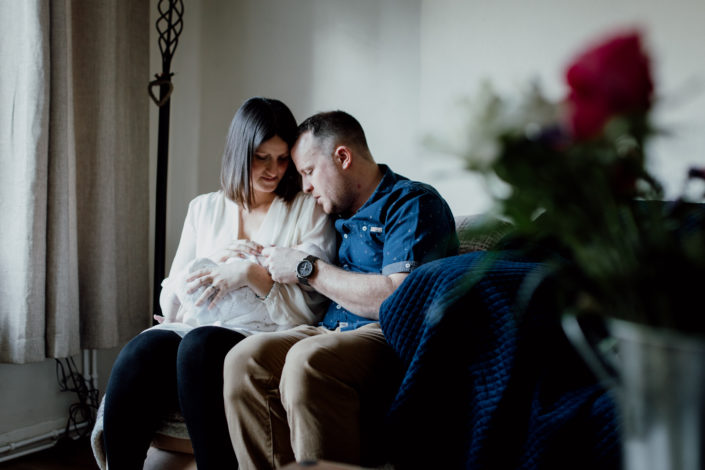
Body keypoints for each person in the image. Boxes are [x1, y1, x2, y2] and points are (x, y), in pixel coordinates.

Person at [101, 97, 336, 470]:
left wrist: (249, 274)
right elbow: (170, 297)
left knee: (200, 346)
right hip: (201, 320)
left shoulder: (307, 209)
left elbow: (313, 303)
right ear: (240, 152)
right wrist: (221, 259)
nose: (274, 170)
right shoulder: (204, 209)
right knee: (142, 349)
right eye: (262, 157)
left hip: (267, 330)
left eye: (281, 158)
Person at [223, 110, 459, 468]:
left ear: (343, 157)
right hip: (328, 328)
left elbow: (397, 300)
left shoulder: (411, 203)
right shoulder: (336, 210)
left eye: (308, 172)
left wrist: (307, 268)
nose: (305, 187)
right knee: (244, 359)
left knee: (308, 361)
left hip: (386, 335)